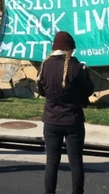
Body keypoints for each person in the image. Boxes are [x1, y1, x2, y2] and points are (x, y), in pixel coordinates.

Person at [37, 31, 94, 194]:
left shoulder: (45, 65)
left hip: (51, 119)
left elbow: (42, 91)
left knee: (52, 162)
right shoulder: (76, 67)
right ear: (69, 49)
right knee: (75, 163)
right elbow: (88, 91)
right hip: (72, 120)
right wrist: (86, 74)